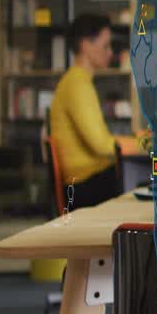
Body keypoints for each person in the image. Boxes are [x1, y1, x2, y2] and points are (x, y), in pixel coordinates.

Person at [49, 13, 121, 210]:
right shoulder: (77, 84)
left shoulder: (77, 81)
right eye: (105, 46)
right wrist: (140, 145)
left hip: (87, 181)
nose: (110, 52)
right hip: (84, 185)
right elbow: (101, 145)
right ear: (86, 45)